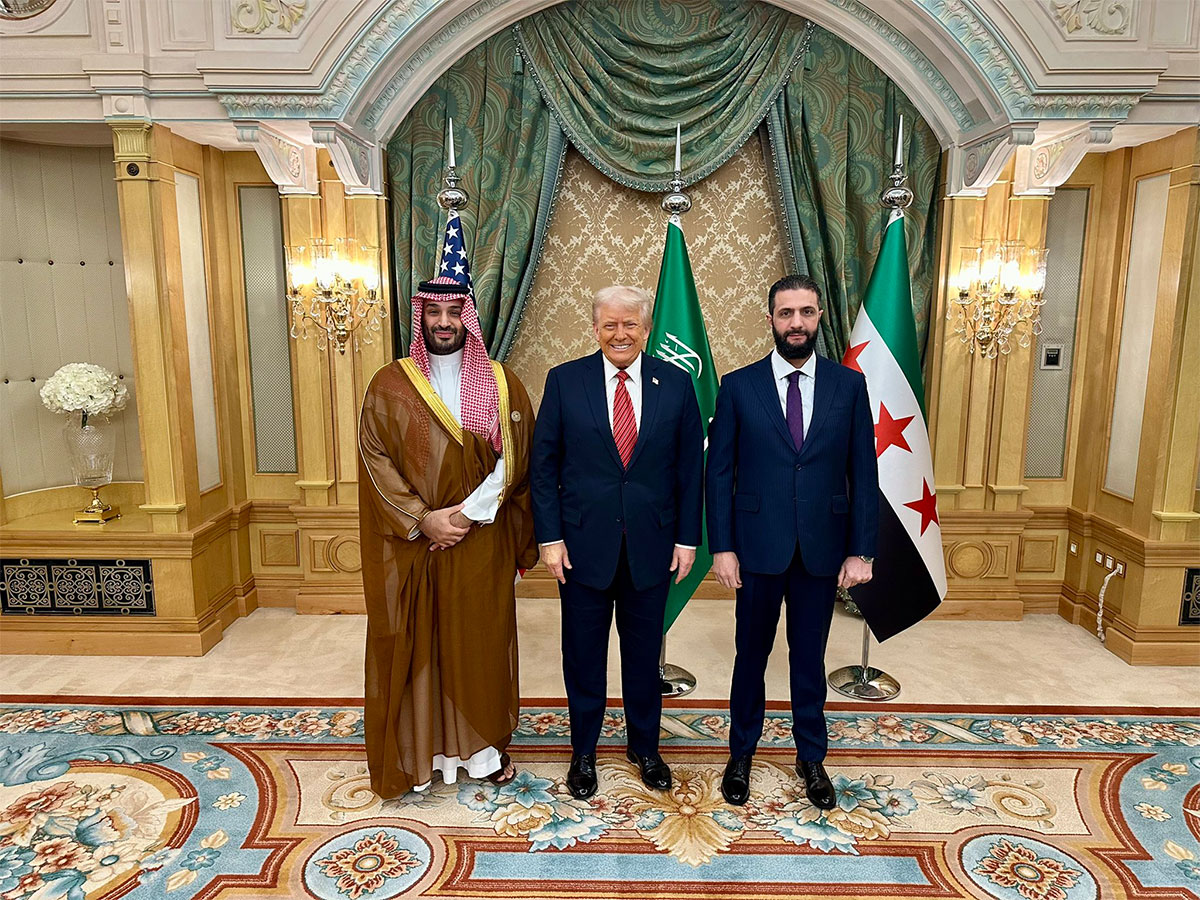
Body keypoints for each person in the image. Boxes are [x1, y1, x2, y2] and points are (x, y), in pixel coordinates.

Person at [358, 275, 538, 799]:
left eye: (453, 312)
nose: (443, 322)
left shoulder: (503, 382)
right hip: (412, 542)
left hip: (480, 541)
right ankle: (421, 753)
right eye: (433, 312)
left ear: (469, 318)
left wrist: (464, 516)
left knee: (477, 642)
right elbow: (374, 458)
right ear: (420, 317)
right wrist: (422, 518)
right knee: (417, 641)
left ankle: (480, 752)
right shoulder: (389, 383)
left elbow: (518, 457)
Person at [706, 274, 878, 809]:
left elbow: (863, 472)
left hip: (821, 549)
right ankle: (741, 755)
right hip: (756, 547)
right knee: (749, 657)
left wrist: (861, 548)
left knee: (810, 658)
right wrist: (723, 546)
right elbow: (719, 473)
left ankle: (811, 757)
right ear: (771, 320)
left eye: (806, 312)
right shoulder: (738, 385)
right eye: (786, 314)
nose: (796, 323)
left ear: (820, 316)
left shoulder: (848, 386)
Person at [531, 285, 704, 800]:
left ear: (646, 329)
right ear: (595, 329)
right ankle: (583, 750)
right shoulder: (565, 381)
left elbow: (689, 469)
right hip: (581, 547)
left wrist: (688, 539)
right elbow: (543, 468)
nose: (620, 333)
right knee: (583, 655)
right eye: (610, 324)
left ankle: (645, 747)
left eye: (630, 324)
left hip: (652, 546)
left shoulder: (675, 383)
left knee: (643, 654)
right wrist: (550, 538)